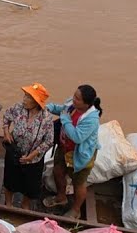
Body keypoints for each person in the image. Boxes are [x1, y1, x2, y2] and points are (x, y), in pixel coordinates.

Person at [43, 84, 102, 216]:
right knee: (57, 171)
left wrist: (65, 120)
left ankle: (76, 210)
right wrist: (50, 107)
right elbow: (62, 109)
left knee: (79, 183)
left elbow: (77, 137)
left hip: (79, 154)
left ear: (86, 104)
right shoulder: (72, 105)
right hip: (64, 147)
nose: (73, 99)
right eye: (74, 95)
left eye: (77, 98)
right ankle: (61, 197)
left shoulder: (91, 119)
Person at [1, 83, 57, 210]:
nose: (24, 100)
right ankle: (8, 204)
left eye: (28, 98)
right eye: (25, 96)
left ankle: (24, 205)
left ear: (37, 102)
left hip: (34, 159)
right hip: (14, 152)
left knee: (30, 185)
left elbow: (49, 141)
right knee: (10, 180)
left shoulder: (46, 117)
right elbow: (6, 116)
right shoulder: (18, 108)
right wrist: (6, 132)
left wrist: (32, 155)